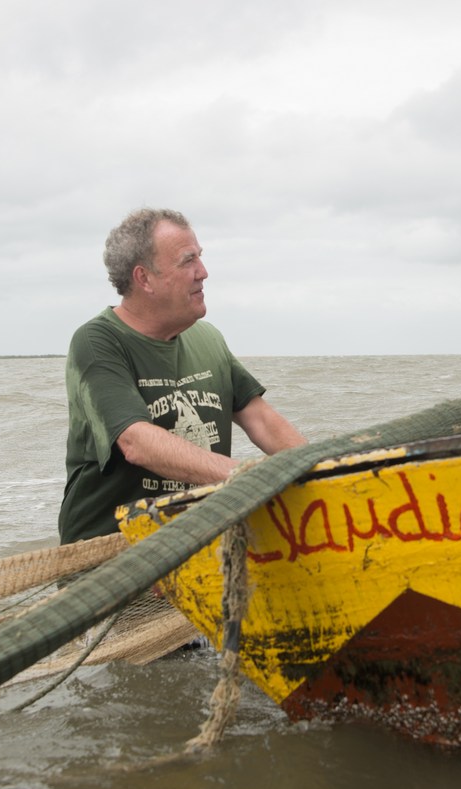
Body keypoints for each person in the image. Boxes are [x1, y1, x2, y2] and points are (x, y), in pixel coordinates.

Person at [58, 208, 306, 543]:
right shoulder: (98, 341)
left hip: (194, 544)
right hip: (110, 556)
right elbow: (136, 442)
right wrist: (248, 478)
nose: (203, 272)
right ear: (144, 278)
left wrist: (320, 470)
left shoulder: (208, 339)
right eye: (188, 261)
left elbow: (260, 418)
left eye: (200, 258)